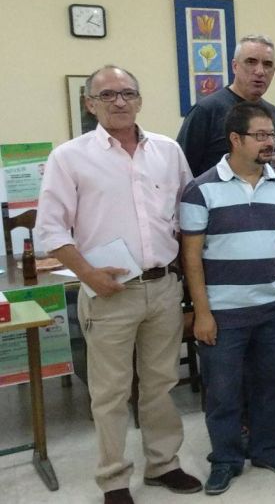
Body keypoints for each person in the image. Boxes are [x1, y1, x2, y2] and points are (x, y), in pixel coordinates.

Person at [37, 65, 202, 504]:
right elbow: (50, 230)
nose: (119, 101)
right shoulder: (69, 157)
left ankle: (163, 464)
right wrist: (88, 275)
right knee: (110, 392)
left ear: (140, 100)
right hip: (109, 292)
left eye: (127, 93)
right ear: (90, 104)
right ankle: (113, 479)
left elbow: (188, 215)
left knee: (160, 383)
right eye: (107, 95)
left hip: (163, 287)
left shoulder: (167, 151)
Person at [180, 102, 275, 495]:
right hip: (223, 312)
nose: (270, 142)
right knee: (222, 391)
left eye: (272, 135)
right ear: (235, 139)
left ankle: (268, 449)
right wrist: (202, 312)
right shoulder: (200, 190)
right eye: (260, 135)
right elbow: (191, 257)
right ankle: (226, 459)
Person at [177, 34, 275, 178]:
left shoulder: (273, 114)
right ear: (235, 66)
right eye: (251, 62)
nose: (260, 71)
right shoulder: (206, 111)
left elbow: (271, 164)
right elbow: (180, 171)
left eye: (267, 64)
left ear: (274, 71)